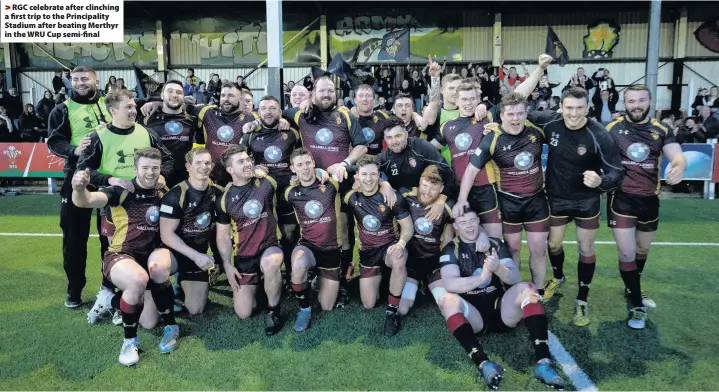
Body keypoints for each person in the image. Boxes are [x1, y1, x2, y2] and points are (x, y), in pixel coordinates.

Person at [71, 147, 179, 366]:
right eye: (145, 168)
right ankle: (129, 342)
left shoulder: (163, 191)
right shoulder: (121, 190)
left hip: (152, 255)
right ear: (135, 168)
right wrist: (78, 188)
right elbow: (86, 201)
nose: (150, 173)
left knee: (149, 321)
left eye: (155, 168)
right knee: (138, 281)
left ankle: (172, 326)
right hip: (122, 254)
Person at [527, 87, 624, 328]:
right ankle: (558, 277)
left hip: (586, 200)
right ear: (561, 107)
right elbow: (515, 114)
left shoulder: (598, 134)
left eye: (580, 108)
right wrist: (490, 124)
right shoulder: (549, 122)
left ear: (588, 108)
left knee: (586, 246)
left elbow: (617, 171)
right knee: (554, 244)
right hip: (557, 197)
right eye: (569, 107)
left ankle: (582, 298)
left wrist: (602, 181)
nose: (573, 113)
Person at [437, 211, 565, 390]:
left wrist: (498, 267)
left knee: (528, 288)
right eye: (463, 222)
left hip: (501, 311)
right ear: (456, 227)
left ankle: (543, 363)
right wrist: (482, 278)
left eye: (473, 220)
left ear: (479, 222)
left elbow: (514, 277)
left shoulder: (495, 243)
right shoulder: (451, 249)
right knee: (445, 300)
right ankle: (483, 363)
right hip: (474, 317)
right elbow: (450, 284)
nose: (469, 225)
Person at [279, 76, 369, 307]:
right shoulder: (301, 113)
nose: (326, 94)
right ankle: (307, 272)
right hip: (307, 185)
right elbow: (278, 116)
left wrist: (344, 163)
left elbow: (361, 145)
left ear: (335, 93)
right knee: (311, 227)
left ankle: (343, 279)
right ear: (313, 93)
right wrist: (281, 120)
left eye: (330, 90)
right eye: (322, 91)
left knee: (343, 229)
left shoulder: (346, 116)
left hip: (338, 184)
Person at [606, 84, 686, 329]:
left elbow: (676, 154)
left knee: (642, 250)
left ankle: (633, 289)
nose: (636, 105)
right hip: (621, 199)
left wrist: (680, 164)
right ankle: (638, 305)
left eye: (641, 100)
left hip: (650, 199)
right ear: (625, 103)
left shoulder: (661, 129)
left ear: (649, 101)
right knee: (627, 253)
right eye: (631, 101)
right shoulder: (612, 128)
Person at [456, 92, 549, 294]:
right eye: (510, 114)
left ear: (527, 113)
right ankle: (513, 291)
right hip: (509, 203)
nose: (515, 118)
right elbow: (471, 170)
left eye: (519, 114)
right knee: (513, 248)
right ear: (502, 115)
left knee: (539, 249)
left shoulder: (537, 131)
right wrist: (462, 198)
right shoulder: (492, 138)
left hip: (537, 201)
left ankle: (539, 293)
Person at [47, 66, 113, 308]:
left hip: (107, 176)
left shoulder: (111, 103)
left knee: (111, 236)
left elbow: (132, 112)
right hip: (77, 177)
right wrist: (75, 150)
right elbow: (54, 141)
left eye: (85, 79)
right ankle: (74, 290)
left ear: (96, 79)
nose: (80, 83)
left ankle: (109, 288)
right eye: (75, 80)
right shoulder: (62, 109)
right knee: (74, 238)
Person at [215, 145, 285, 335]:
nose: (247, 164)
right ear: (230, 170)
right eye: (241, 162)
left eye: (248, 159)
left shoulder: (267, 182)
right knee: (244, 312)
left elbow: (295, 178)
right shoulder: (224, 198)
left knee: (271, 264)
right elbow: (222, 235)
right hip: (244, 255)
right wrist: (228, 266)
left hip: (270, 246)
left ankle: (273, 311)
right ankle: (265, 285)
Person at [343, 154, 414, 335]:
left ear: (379, 175)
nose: (369, 179)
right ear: (357, 176)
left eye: (373, 174)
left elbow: (408, 227)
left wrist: (401, 243)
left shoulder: (391, 196)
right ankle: (386, 284)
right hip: (367, 252)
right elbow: (329, 176)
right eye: (364, 174)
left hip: (389, 247)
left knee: (398, 260)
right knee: (368, 304)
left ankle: (392, 312)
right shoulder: (350, 196)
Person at [241, 96, 301, 293]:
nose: (268, 112)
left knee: (290, 234)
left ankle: (293, 276)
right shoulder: (250, 135)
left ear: (280, 112)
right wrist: (253, 167)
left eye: (273, 108)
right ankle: (261, 277)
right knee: (262, 235)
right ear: (258, 111)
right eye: (264, 108)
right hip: (260, 195)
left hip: (286, 194)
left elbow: (303, 156)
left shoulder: (291, 133)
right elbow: (238, 159)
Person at [159, 147, 224, 315]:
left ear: (213, 165)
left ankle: (181, 282)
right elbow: (166, 235)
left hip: (197, 256)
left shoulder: (218, 192)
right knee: (159, 269)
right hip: (174, 252)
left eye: (207, 163)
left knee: (196, 309)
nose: (204, 166)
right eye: (198, 163)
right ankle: (158, 291)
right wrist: (195, 256)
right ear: (188, 166)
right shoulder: (176, 194)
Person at [432, 83, 502, 239]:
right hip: (460, 190)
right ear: (456, 101)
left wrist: (539, 69)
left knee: (494, 240)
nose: (468, 103)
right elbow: (429, 149)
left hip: (486, 189)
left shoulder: (488, 117)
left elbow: (515, 99)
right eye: (464, 99)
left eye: (472, 99)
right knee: (465, 239)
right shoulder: (446, 127)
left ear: (478, 99)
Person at [284, 148, 343, 331]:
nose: (305, 168)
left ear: (314, 163)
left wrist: (385, 184)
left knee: (326, 306)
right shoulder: (290, 193)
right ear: (293, 168)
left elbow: (363, 175)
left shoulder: (332, 183)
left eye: (308, 163)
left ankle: (317, 277)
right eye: (299, 165)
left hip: (332, 249)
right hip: (308, 245)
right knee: (299, 263)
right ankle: (304, 308)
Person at [398, 165, 454, 315]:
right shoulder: (406, 195)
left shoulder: (447, 206)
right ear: (420, 180)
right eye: (424, 186)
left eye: (433, 188)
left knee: (445, 305)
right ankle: (417, 288)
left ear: (442, 189)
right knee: (402, 309)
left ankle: (428, 287)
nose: (427, 192)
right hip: (412, 262)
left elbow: (459, 224)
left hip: (433, 263)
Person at [137, 80, 201, 188]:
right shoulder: (148, 118)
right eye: (170, 91)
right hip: (154, 181)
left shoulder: (192, 119)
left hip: (183, 182)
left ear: (183, 97)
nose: (174, 95)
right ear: (162, 95)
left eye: (179, 92)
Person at [353, 84, 392, 155]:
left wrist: (415, 115)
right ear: (355, 100)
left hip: (377, 162)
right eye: (361, 95)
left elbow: (402, 119)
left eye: (368, 95)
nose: (364, 99)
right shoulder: (348, 118)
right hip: (353, 164)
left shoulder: (383, 117)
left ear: (374, 100)